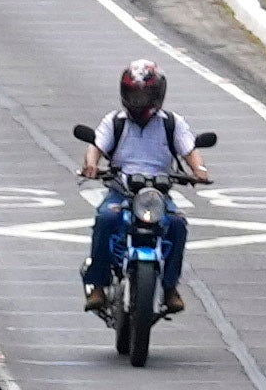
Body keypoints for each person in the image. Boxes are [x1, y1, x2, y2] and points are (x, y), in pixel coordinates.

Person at [77, 61, 211, 305]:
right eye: (134, 94)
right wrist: (92, 165)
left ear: (157, 94)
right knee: (106, 218)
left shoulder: (172, 123)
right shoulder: (114, 121)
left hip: (157, 193)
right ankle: (97, 284)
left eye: (144, 94)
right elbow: (96, 146)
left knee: (178, 224)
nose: (138, 100)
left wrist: (199, 170)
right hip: (122, 191)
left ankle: (170, 287)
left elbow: (189, 150)